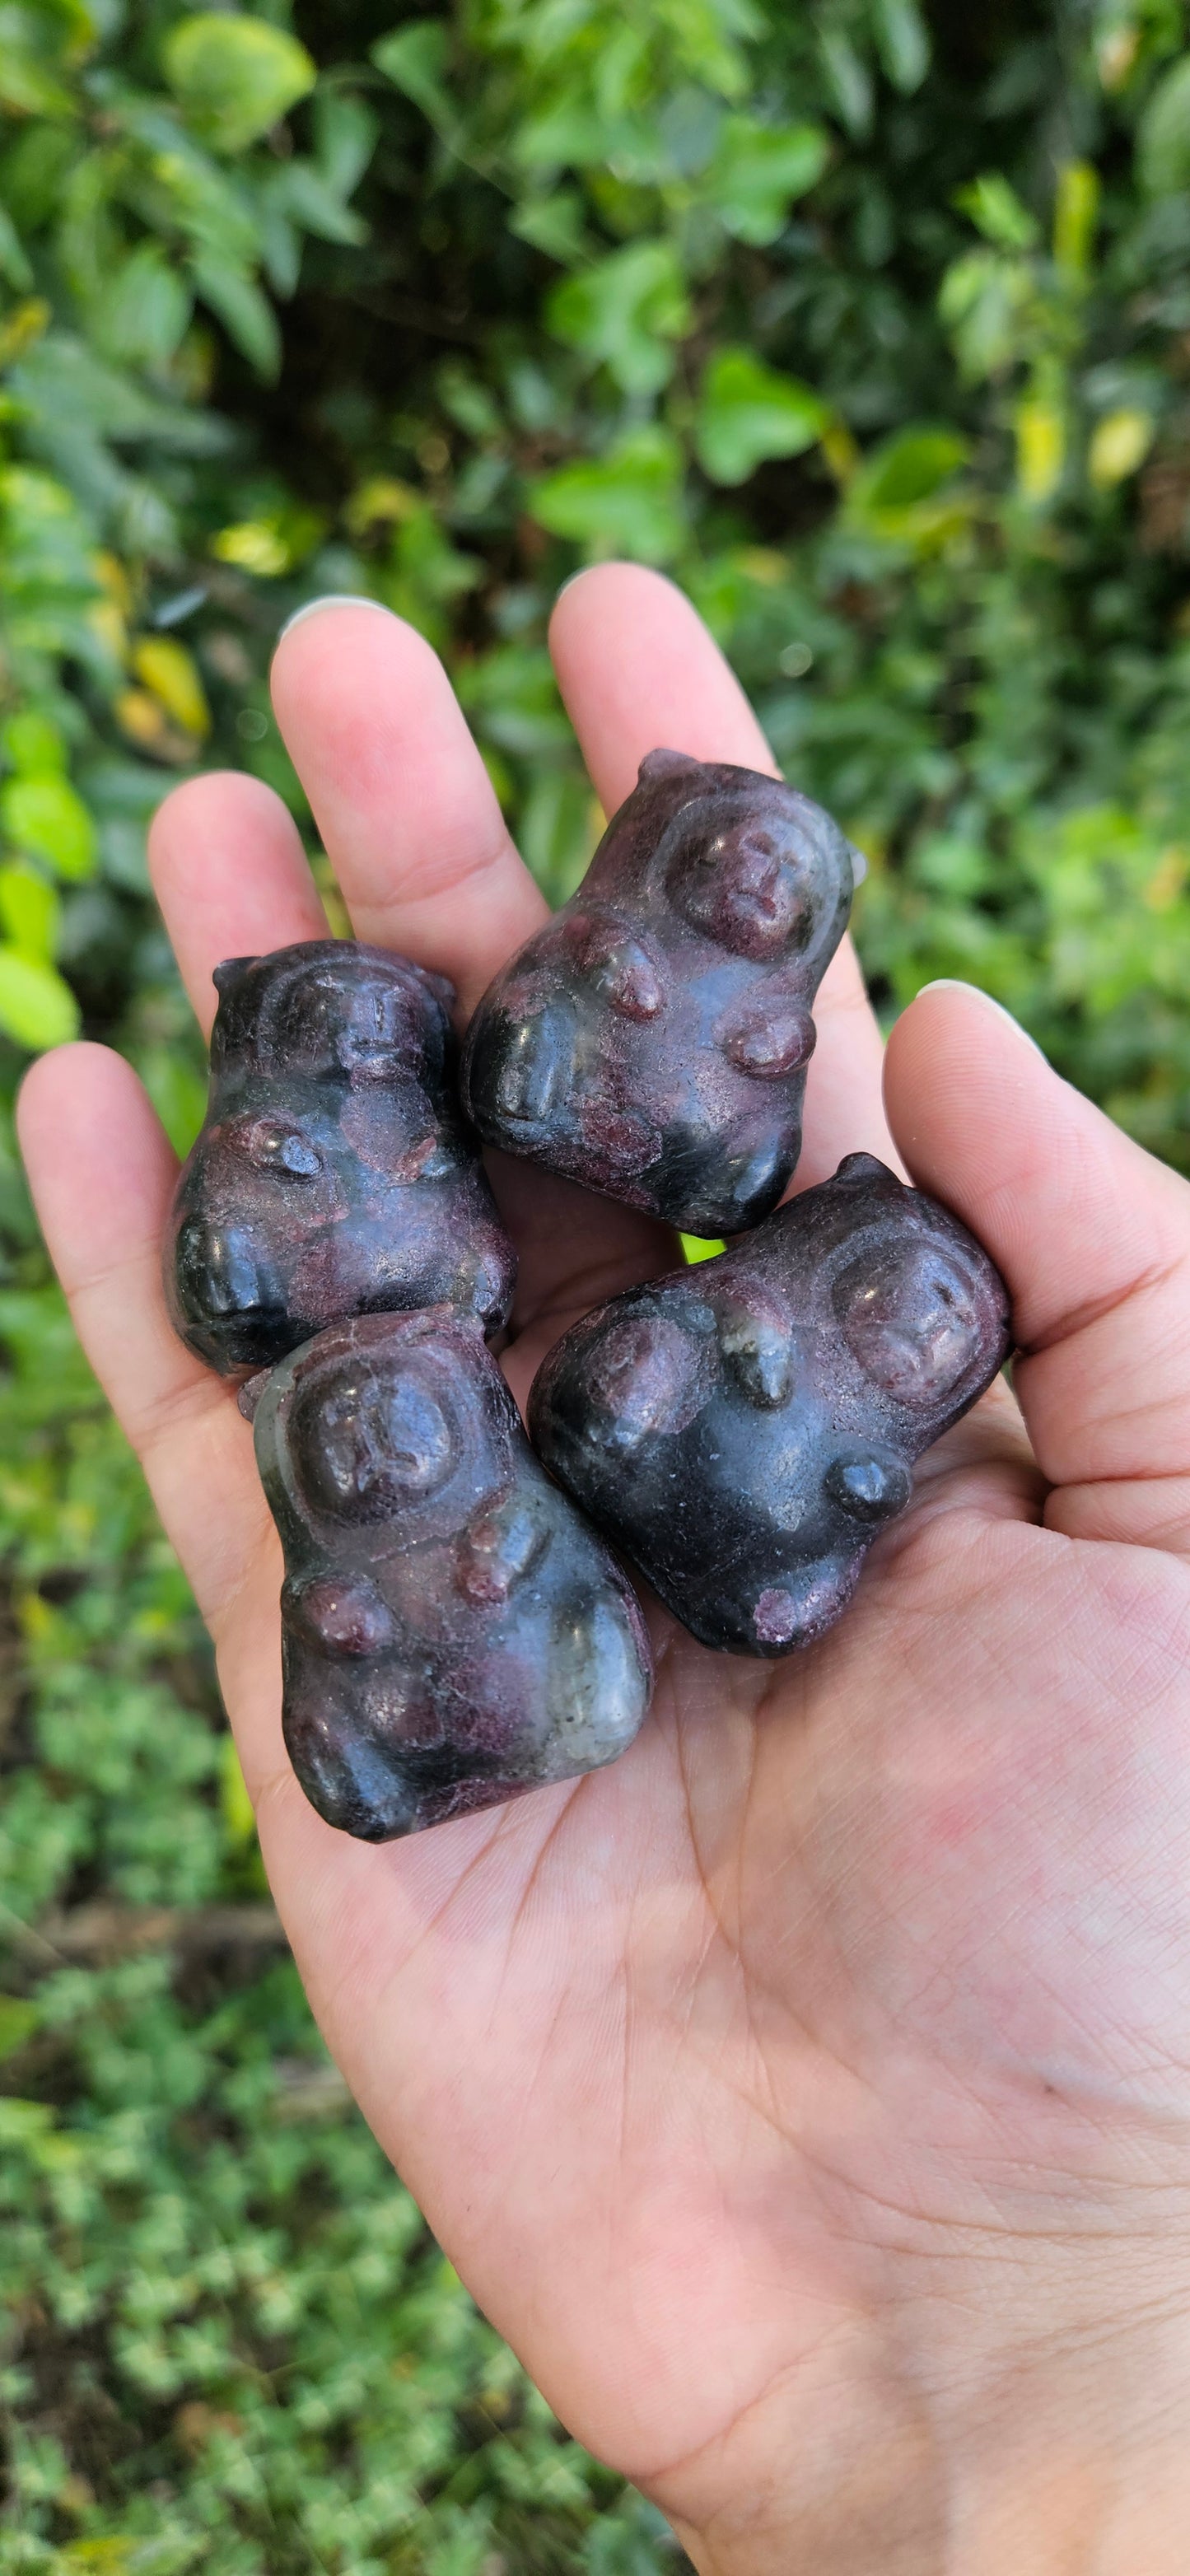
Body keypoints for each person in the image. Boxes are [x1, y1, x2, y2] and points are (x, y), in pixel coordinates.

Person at [19, 567, 1190, 2575]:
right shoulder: (466, 1301)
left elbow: (762, 1435)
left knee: (644, 1437)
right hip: (539, 1478)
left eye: (761, 900)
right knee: (558, 1413)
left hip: (614, 1524)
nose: (734, 908)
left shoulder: (697, 1296)